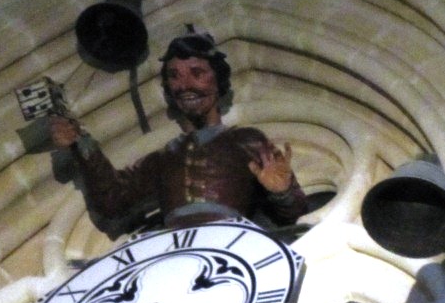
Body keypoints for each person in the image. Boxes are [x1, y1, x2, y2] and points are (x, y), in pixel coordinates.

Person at [49, 29, 307, 230]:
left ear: (218, 81)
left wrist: (282, 192)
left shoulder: (247, 141)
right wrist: (80, 142)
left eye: (197, 73)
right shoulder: (165, 158)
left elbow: (296, 213)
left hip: (230, 243)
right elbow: (112, 202)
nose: (185, 85)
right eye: (174, 76)